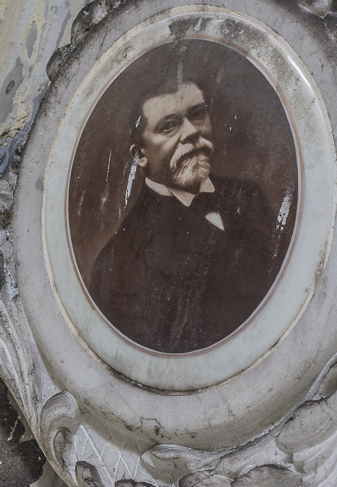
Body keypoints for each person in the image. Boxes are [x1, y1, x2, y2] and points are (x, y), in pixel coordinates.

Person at [90, 78, 282, 353]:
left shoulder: (248, 196)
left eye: (197, 114)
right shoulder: (119, 261)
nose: (192, 131)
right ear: (140, 155)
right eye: (169, 125)